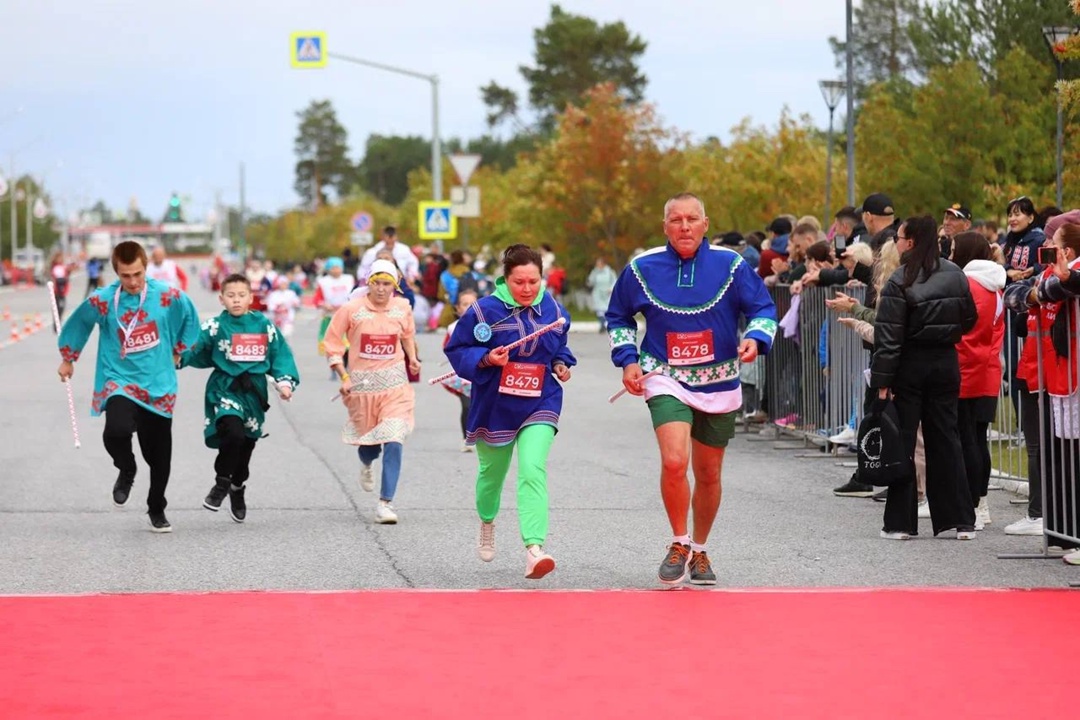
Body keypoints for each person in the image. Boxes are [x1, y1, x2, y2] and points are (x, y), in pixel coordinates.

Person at [605, 193, 777, 586]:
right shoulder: (641, 268)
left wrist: (754, 338)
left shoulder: (731, 265)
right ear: (665, 226)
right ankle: (679, 541)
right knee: (674, 461)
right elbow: (618, 317)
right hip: (664, 375)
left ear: (705, 224)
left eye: (692, 219)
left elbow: (763, 308)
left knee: (709, 471)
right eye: (676, 220)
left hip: (719, 379)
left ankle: (700, 549)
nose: (684, 227)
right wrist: (629, 359)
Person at [445, 244, 575, 580]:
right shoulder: (483, 311)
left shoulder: (551, 306)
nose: (528, 289)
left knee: (532, 469)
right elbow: (457, 348)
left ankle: (534, 549)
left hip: (540, 400)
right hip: (495, 405)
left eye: (534, 281)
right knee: (492, 475)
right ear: (505, 280)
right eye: (520, 282)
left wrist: (561, 363)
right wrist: (486, 359)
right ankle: (487, 520)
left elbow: (560, 343)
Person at [56, 240, 200, 532]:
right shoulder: (103, 299)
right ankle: (126, 467)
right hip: (118, 380)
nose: (133, 281)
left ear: (146, 268)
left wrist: (180, 349)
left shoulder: (167, 295)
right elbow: (80, 323)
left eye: (137, 274)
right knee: (116, 431)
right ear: (116, 274)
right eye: (125, 276)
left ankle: (156, 507)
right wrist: (68, 357)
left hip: (158, 383)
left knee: (159, 455)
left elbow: (190, 318)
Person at [870, 216, 977, 540]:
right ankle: (959, 520)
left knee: (903, 438)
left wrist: (882, 382)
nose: (897, 243)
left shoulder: (900, 280)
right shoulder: (955, 275)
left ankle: (901, 523)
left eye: (901, 238)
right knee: (946, 437)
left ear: (911, 242)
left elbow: (889, 337)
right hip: (946, 360)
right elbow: (969, 318)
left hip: (910, 363)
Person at [179, 274, 300, 523]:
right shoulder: (214, 326)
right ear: (221, 298)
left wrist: (285, 383)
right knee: (231, 431)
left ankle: (237, 487)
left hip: (254, 393)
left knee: (245, 446)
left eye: (241, 295)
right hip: (225, 388)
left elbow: (280, 355)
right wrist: (176, 356)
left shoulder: (263, 326)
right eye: (231, 296)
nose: (236, 300)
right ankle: (221, 483)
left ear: (251, 298)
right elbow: (193, 346)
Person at [325, 259, 421, 524]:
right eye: (376, 283)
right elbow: (332, 344)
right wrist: (343, 375)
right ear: (368, 283)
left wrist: (412, 357)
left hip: (395, 387)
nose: (381, 289)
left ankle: (385, 503)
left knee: (394, 439)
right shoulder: (352, 309)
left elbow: (407, 335)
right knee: (370, 447)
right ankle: (366, 463)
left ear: (395, 285)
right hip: (362, 388)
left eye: (387, 284)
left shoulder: (402, 307)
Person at [950, 232, 1006, 530]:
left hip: (963, 368)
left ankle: (970, 502)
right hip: (988, 368)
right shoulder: (996, 286)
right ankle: (980, 501)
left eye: (956, 248)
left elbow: (961, 329)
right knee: (978, 437)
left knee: (965, 438)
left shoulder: (966, 285)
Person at [441, 289, 479, 452]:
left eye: (473, 304)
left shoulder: (487, 326)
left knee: (482, 405)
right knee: (467, 405)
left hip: (483, 372)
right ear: (457, 308)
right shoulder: (452, 328)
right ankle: (467, 438)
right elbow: (448, 348)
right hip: (463, 374)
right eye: (465, 304)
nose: (469, 307)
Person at [313, 257, 355, 370]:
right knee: (330, 343)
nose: (336, 270)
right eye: (333, 268)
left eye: (338, 267)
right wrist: (323, 305)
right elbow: (317, 299)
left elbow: (355, 294)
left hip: (346, 315)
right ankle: (334, 366)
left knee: (347, 343)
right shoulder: (323, 282)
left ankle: (345, 364)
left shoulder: (349, 279)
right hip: (330, 316)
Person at [587, 256, 618, 333]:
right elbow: (591, 281)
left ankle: (607, 324)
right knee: (599, 309)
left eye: (599, 263)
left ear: (603, 264)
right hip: (598, 292)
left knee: (606, 309)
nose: (598, 265)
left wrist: (611, 288)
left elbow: (614, 280)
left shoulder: (609, 271)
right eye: (597, 264)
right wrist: (592, 277)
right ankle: (602, 325)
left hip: (607, 293)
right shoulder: (595, 272)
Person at [49, 251, 72, 332]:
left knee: (62, 307)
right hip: (56, 290)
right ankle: (56, 325)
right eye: (59, 258)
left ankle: (58, 322)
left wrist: (69, 271)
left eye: (61, 258)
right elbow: (52, 277)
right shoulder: (53, 267)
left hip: (63, 290)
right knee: (57, 307)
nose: (60, 259)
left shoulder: (63, 267)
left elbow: (67, 276)